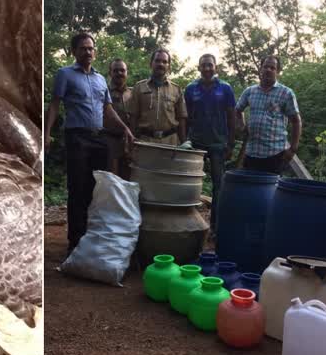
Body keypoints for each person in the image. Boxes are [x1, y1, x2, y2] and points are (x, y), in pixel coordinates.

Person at [44, 32, 135, 252]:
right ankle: (75, 243)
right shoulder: (65, 74)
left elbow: (108, 109)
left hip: (98, 137)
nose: (88, 52)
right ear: (74, 51)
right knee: (78, 189)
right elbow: (55, 104)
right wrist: (46, 133)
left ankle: (93, 238)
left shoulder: (100, 79)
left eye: (91, 48)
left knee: (98, 189)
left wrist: (125, 129)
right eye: (83, 48)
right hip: (77, 137)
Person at [184, 54, 236, 231]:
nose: (207, 68)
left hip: (218, 144)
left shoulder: (226, 89)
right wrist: (185, 140)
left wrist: (231, 143)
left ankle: (215, 226)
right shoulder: (191, 89)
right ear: (198, 68)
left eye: (210, 65)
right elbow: (186, 117)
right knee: (190, 181)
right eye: (203, 65)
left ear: (216, 67)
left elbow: (231, 117)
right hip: (196, 143)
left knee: (218, 185)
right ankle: (188, 221)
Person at [235, 55, 302, 174]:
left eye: (272, 68)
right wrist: (242, 126)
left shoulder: (286, 93)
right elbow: (237, 110)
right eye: (265, 67)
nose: (268, 70)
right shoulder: (250, 91)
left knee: (270, 191)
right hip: (251, 152)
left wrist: (293, 149)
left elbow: (296, 121)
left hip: (275, 155)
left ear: (278, 71)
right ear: (260, 69)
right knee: (250, 188)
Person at [129, 48, 187, 146]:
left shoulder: (176, 89)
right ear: (151, 63)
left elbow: (181, 118)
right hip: (145, 141)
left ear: (168, 66)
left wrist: (183, 143)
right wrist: (132, 141)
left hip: (170, 142)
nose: (161, 64)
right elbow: (133, 117)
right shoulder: (139, 87)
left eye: (164, 62)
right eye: (157, 61)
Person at [105, 58, 133, 179]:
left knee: (129, 178)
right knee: (113, 179)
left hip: (129, 142)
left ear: (127, 72)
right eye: (116, 70)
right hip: (110, 141)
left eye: (122, 70)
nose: (119, 73)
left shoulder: (133, 93)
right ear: (110, 73)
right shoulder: (104, 92)